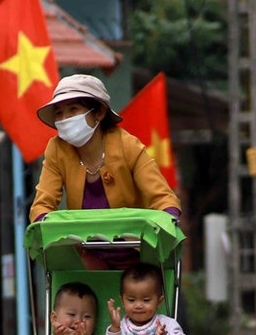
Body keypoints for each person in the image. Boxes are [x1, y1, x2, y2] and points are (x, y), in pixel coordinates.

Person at [29, 74, 180, 225]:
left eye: (73, 109)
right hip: (81, 245)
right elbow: (42, 204)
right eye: (58, 113)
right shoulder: (57, 149)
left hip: (132, 244)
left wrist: (170, 218)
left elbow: (162, 198)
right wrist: (44, 223)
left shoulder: (127, 145)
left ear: (99, 113)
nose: (65, 119)